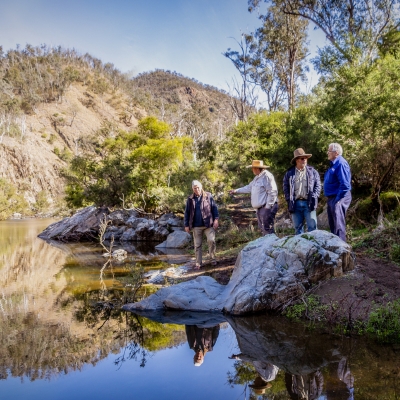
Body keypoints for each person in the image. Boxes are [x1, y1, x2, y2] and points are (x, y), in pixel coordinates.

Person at [229, 160, 278, 235]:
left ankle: (272, 245)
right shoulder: (257, 178)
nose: (252, 170)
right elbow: (249, 188)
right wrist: (236, 191)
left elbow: (273, 191)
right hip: (260, 208)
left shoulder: (267, 176)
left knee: (267, 228)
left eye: (253, 168)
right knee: (263, 229)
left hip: (266, 207)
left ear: (257, 168)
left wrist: (268, 207)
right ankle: (266, 245)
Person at [283, 148, 321, 235]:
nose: (305, 160)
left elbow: (318, 185)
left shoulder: (312, 172)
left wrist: (314, 196)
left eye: (306, 158)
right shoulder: (289, 173)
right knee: (298, 229)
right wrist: (288, 198)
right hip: (295, 204)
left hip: (309, 203)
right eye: (302, 158)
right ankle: (300, 248)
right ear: (297, 160)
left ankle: (315, 247)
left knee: (313, 228)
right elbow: (285, 187)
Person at [184, 180, 219, 269]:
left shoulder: (208, 195)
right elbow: (187, 213)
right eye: (195, 188)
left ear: (201, 187)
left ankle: (213, 259)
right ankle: (198, 263)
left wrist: (216, 219)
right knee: (197, 245)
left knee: (211, 241)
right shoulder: (190, 199)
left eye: (198, 187)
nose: (197, 189)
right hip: (196, 226)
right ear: (193, 189)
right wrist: (186, 225)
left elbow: (214, 208)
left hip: (208, 224)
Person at [323, 143, 352, 242]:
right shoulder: (333, 164)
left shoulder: (341, 163)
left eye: (329, 151)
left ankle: (342, 249)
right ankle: (335, 248)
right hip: (332, 197)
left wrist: (338, 199)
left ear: (336, 152)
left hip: (340, 196)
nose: (328, 152)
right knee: (333, 224)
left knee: (338, 223)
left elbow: (345, 184)